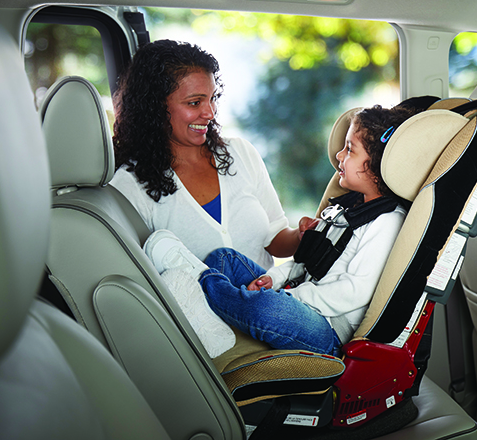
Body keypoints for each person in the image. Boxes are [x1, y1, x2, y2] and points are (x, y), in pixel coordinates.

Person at [146, 104, 416, 357]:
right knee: (223, 258)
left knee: (267, 308)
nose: (339, 155)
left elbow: (355, 291)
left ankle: (200, 283)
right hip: (295, 294)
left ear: (380, 166)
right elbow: (304, 263)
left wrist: (287, 296)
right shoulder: (345, 208)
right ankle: (215, 305)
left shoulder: (386, 222)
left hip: (328, 328)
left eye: (350, 149)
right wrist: (273, 279)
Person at [111, 39, 314, 270]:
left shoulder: (241, 153)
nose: (210, 112)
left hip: (267, 300)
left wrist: (301, 236)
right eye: (195, 102)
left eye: (212, 98)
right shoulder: (129, 185)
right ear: (154, 107)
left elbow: (276, 239)